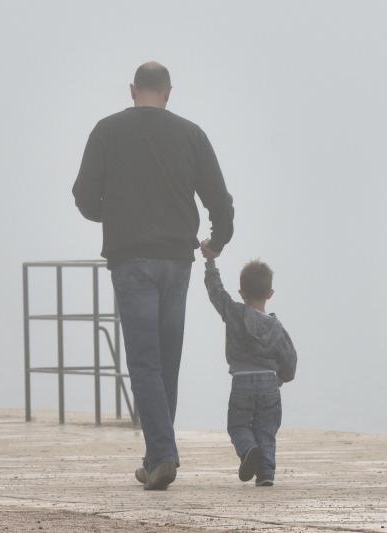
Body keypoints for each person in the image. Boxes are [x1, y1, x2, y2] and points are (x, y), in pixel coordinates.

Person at [72, 62, 234, 490]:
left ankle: (161, 454)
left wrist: (117, 214)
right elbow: (219, 196)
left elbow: (84, 197)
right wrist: (218, 239)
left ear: (132, 90)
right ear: (168, 92)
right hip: (177, 261)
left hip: (131, 261)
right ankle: (157, 454)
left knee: (144, 360)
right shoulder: (191, 134)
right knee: (166, 361)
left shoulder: (107, 131)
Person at [203, 254, 297, 486]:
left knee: (238, 425)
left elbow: (216, 293)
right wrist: (282, 378)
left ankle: (248, 451)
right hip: (268, 383)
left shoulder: (234, 313)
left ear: (242, 293)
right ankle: (265, 473)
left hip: (242, 381)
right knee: (266, 428)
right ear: (270, 294)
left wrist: (210, 264)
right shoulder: (276, 328)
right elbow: (290, 359)